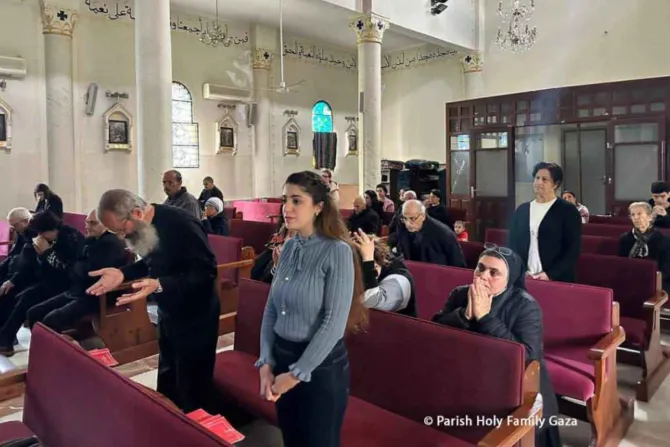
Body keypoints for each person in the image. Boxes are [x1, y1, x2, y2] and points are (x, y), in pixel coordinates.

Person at [255, 171, 367, 447]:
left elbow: (333, 324)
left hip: (319, 369)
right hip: (282, 359)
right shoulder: (290, 246)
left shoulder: (337, 251)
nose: (287, 208)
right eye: (285, 200)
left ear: (318, 207)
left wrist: (295, 376)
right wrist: (266, 361)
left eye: (296, 200)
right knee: (292, 440)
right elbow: (272, 309)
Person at [86, 189, 219, 413]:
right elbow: (150, 263)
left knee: (192, 384)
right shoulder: (145, 228)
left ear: (136, 213)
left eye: (121, 230)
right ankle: (166, 422)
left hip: (196, 316)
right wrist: (122, 274)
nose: (121, 237)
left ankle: (195, 434)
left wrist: (159, 284)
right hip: (169, 312)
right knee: (168, 374)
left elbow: (206, 272)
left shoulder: (181, 224)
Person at [431, 245, 562, 447]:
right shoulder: (459, 294)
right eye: (480, 268)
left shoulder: (526, 306)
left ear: (509, 279)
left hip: (513, 384)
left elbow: (527, 356)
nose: (483, 276)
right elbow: (435, 333)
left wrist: (485, 317)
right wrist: (464, 316)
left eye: (494, 273)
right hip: (467, 376)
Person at [26, 209, 128, 333]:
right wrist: (77, 268)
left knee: (50, 321)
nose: (88, 226)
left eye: (93, 223)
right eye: (87, 222)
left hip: (96, 296)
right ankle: (40, 350)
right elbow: (75, 267)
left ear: (106, 224)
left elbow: (88, 272)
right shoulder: (91, 240)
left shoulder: (111, 244)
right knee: (33, 313)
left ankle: (57, 350)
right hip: (78, 290)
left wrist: (76, 268)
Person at [0, 211, 84, 356]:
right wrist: (14, 280)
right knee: (12, 291)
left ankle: (6, 339)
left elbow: (69, 270)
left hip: (67, 284)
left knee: (28, 296)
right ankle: (6, 338)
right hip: (48, 279)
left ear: (51, 230)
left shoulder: (71, 237)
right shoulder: (46, 238)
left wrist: (47, 252)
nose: (39, 236)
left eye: (41, 233)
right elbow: (33, 263)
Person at [509, 162, 581, 283]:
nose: (539, 182)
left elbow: (572, 250)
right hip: (525, 277)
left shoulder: (568, 210)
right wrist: (520, 271)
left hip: (555, 279)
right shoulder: (522, 210)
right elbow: (513, 244)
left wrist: (550, 274)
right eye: (537, 178)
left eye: (545, 179)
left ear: (555, 184)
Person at [352, 229, 416, 316]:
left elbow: (371, 302)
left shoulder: (399, 280)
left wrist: (367, 260)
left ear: (375, 266)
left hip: (392, 327)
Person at [389, 199, 465, 268]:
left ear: (423, 216)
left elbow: (458, 265)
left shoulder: (444, 233)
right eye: (405, 218)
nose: (408, 223)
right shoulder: (402, 225)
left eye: (412, 218)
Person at [619, 202, 670, 292]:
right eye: (633, 215)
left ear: (650, 217)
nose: (636, 218)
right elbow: (621, 263)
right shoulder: (625, 239)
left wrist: (649, 280)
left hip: (656, 283)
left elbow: (666, 270)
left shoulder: (664, 241)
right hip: (630, 279)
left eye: (639, 214)